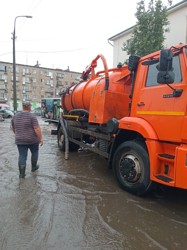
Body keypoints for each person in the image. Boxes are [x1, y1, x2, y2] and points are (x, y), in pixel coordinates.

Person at [11, 101, 43, 178]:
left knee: (22, 156)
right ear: (29, 107)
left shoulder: (15, 116)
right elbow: (37, 129)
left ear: (22, 107)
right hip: (32, 140)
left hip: (20, 140)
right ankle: (34, 167)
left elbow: (13, 128)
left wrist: (18, 135)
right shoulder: (32, 116)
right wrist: (40, 139)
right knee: (35, 152)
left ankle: (22, 174)